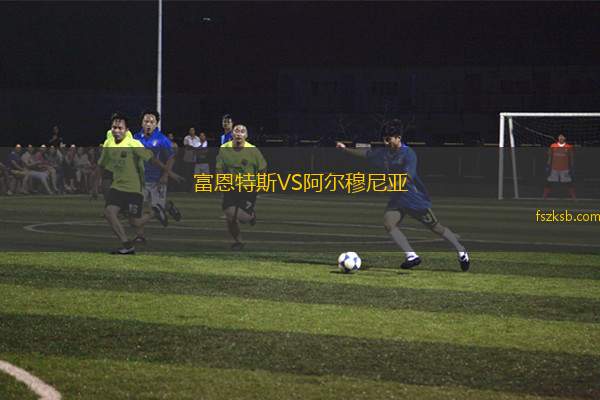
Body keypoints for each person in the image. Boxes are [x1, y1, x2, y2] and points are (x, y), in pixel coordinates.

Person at [336, 119, 470, 271]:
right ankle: (411, 256)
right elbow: (366, 153)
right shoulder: (384, 153)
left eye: (389, 139)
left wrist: (391, 186)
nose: (386, 142)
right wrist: (345, 149)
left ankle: (461, 251)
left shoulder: (408, 154)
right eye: (384, 139)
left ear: (398, 138)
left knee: (436, 228)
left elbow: (408, 177)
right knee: (389, 223)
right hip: (397, 199)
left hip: (414, 199)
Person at [98, 112, 180, 254]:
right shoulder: (112, 142)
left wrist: (168, 174)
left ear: (126, 130)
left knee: (135, 221)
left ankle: (156, 211)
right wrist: (97, 184)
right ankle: (130, 243)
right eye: (114, 127)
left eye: (120, 128)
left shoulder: (139, 142)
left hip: (137, 186)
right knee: (109, 212)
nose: (116, 130)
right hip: (119, 186)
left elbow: (157, 159)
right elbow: (102, 165)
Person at [132, 110, 183, 243]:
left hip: (157, 180)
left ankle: (166, 207)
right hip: (139, 180)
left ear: (156, 124)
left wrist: (165, 175)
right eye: (146, 121)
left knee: (156, 208)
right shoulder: (135, 137)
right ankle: (140, 236)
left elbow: (171, 158)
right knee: (138, 208)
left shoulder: (162, 139)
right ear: (141, 122)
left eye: (151, 122)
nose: (148, 124)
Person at [216, 124, 267, 250]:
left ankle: (251, 215)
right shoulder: (224, 149)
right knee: (230, 216)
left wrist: (261, 183)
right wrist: (220, 180)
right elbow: (219, 168)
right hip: (231, 187)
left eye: (242, 131)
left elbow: (262, 168)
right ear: (232, 134)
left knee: (242, 217)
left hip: (248, 188)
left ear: (246, 135)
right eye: (236, 131)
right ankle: (238, 241)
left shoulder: (253, 150)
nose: (239, 133)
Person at [543, 133, 576, 200]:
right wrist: (548, 165)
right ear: (558, 138)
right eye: (560, 136)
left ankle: (574, 198)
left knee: (569, 183)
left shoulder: (569, 146)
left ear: (565, 138)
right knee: (549, 182)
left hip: (565, 169)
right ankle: (544, 197)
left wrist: (572, 167)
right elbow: (550, 157)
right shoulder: (553, 146)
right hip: (554, 169)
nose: (561, 138)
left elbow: (571, 158)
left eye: (562, 137)